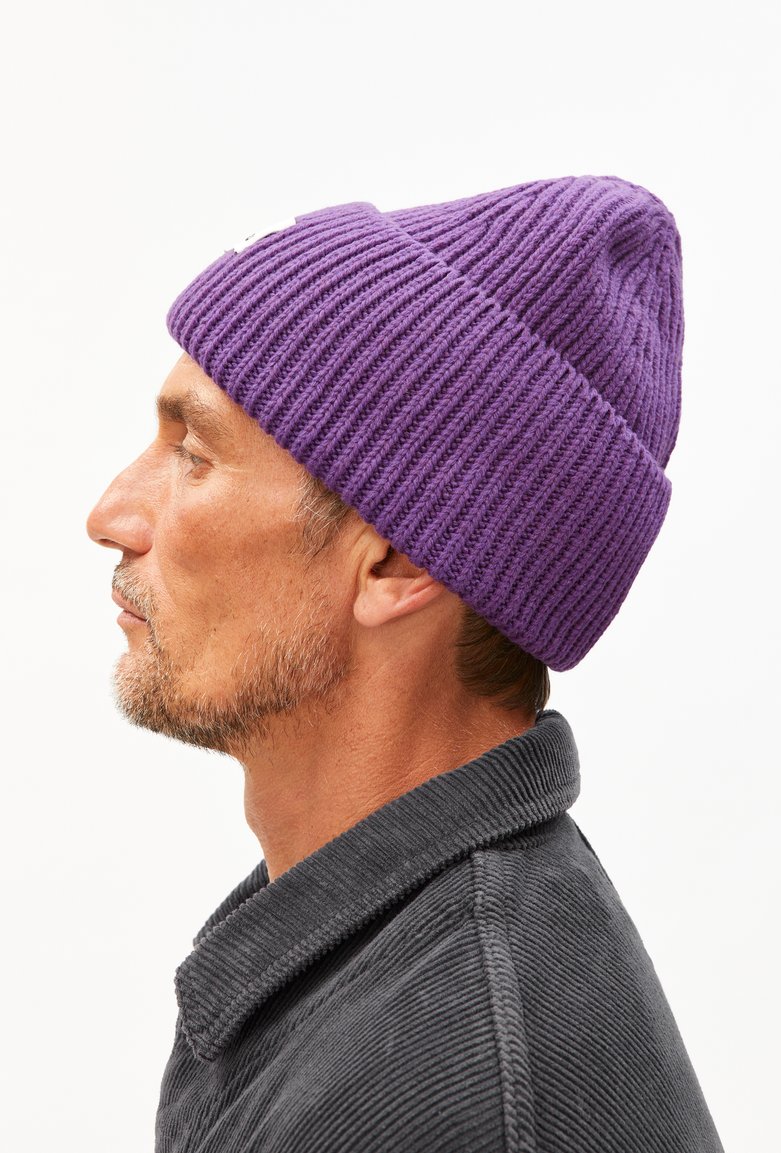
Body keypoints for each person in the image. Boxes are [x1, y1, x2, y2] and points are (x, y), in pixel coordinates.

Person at [86, 176, 725, 1152]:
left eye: (195, 454)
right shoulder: (375, 962)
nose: (110, 515)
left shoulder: (456, 1094)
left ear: (395, 563)